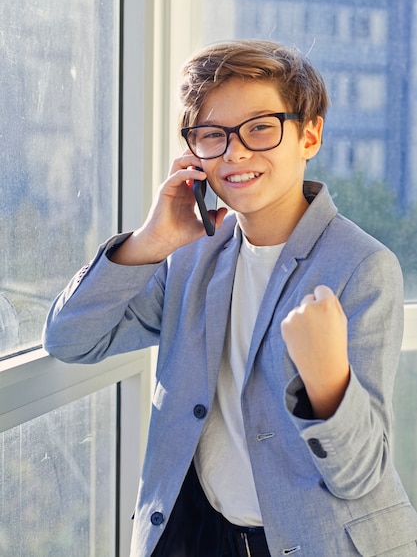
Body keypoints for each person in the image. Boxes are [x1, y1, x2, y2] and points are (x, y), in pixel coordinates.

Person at [43, 40, 417, 556]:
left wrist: (327, 382)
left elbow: (359, 476)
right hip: (200, 535)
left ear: (310, 134)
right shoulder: (190, 256)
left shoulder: (363, 267)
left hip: (316, 541)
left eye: (261, 128)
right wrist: (149, 242)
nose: (235, 152)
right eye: (212, 135)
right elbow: (71, 339)